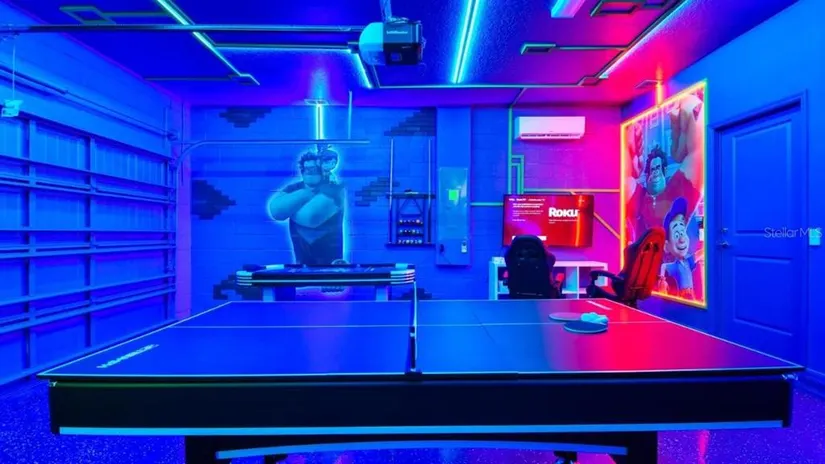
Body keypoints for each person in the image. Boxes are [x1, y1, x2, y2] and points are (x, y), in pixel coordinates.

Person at [625, 92, 704, 241]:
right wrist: (627, 143)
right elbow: (621, 179)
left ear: (664, 171)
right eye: (652, 170)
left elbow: (699, 153)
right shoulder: (638, 197)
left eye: (658, 169)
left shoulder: (677, 194)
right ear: (646, 174)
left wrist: (690, 104)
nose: (655, 173)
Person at [267, 150, 345, 265]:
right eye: (306, 169)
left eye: (314, 169)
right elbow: (276, 211)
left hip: (331, 268)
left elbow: (310, 217)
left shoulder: (334, 189)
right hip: (301, 267)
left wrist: (292, 207)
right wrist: (309, 193)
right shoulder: (294, 188)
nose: (309, 172)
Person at [658, 197, 703, 299]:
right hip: (683, 295)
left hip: (692, 294)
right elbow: (664, 266)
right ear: (666, 246)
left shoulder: (688, 262)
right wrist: (662, 279)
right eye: (677, 235)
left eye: (683, 232)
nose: (682, 239)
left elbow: (700, 253)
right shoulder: (675, 266)